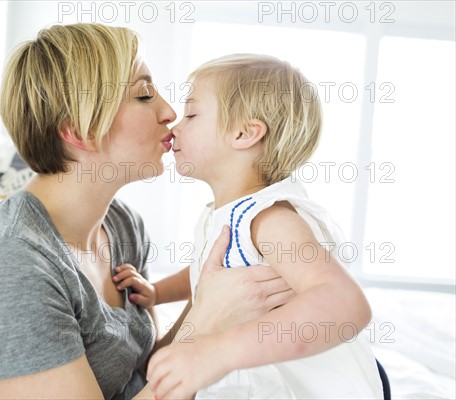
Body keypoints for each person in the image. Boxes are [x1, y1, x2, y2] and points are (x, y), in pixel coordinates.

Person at [0, 25, 294, 400]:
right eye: (143, 95)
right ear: (79, 130)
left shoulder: (122, 225)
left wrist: (206, 299)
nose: (170, 112)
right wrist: (207, 323)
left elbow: (145, 372)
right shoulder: (7, 267)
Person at [123, 54, 385, 399]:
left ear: (245, 133)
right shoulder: (223, 215)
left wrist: (218, 352)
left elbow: (345, 303)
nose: (174, 127)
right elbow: (204, 278)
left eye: (192, 114)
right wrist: (159, 297)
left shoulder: (270, 218)